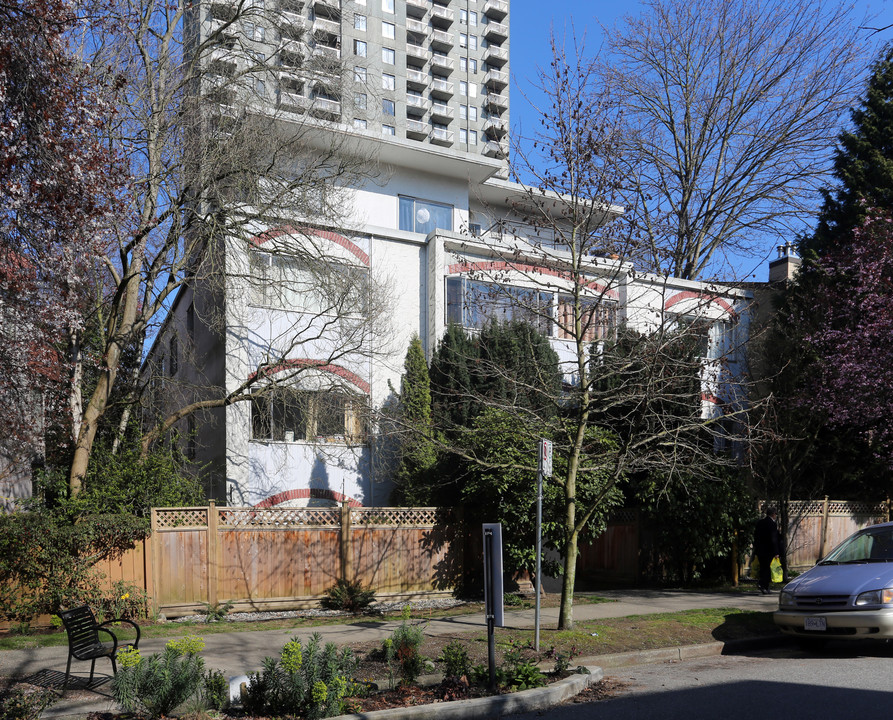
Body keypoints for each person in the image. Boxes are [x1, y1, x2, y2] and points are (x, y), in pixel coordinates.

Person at [753, 505, 781, 594]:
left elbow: (756, 536)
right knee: (768, 569)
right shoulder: (772, 524)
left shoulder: (760, 523)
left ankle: (765, 586)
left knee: (763, 567)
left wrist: (756, 548)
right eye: (776, 514)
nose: (776, 516)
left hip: (760, 549)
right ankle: (763, 584)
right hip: (769, 550)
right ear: (773, 514)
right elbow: (773, 539)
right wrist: (776, 552)